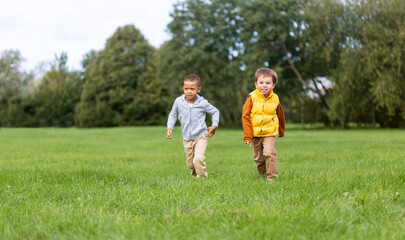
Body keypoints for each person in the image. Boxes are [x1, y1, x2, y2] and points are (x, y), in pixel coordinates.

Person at [167, 74, 220, 178]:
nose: (189, 91)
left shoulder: (202, 103)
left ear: (198, 89)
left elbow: (215, 111)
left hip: (201, 136)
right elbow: (173, 115)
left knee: (198, 159)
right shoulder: (178, 102)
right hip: (186, 138)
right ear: (183, 89)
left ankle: (202, 180)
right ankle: (195, 176)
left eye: (192, 89)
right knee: (191, 164)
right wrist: (170, 127)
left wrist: (214, 125)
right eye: (186, 88)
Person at [242, 68, 285, 183]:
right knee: (259, 158)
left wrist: (281, 131)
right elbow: (245, 117)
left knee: (269, 152)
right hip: (255, 134)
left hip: (269, 133)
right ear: (256, 84)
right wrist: (248, 135)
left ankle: (272, 178)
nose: (264, 86)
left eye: (268, 83)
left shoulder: (275, 98)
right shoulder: (251, 97)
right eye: (261, 83)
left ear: (273, 85)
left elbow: (280, 115)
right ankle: (263, 175)